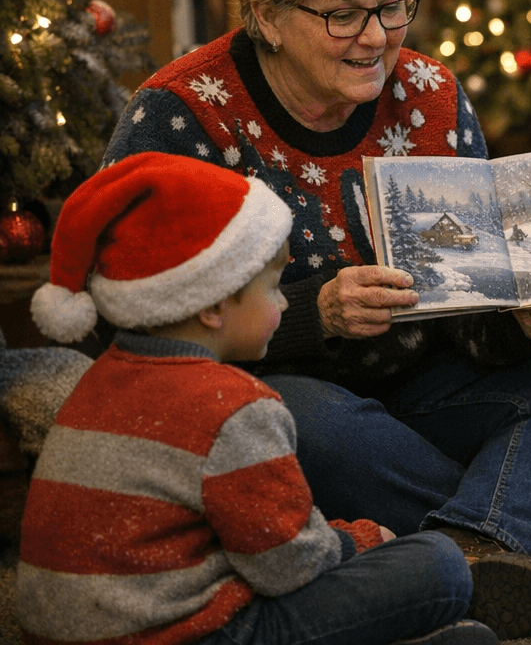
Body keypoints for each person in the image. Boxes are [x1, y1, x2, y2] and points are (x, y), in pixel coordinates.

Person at [99, 0, 531, 639]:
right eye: (343, 15)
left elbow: (469, 310)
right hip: (270, 396)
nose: (375, 38)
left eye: (392, 8)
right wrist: (315, 315)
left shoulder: (431, 94)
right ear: (268, 17)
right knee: (304, 422)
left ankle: (480, 555)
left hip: (425, 381)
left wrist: (521, 322)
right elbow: (138, 330)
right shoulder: (184, 113)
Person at [20, 153, 498, 645]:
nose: (286, 302)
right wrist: (359, 539)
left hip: (59, 630)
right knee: (437, 563)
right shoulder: (233, 405)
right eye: (272, 288)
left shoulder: (95, 380)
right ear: (211, 306)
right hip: (184, 634)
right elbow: (290, 566)